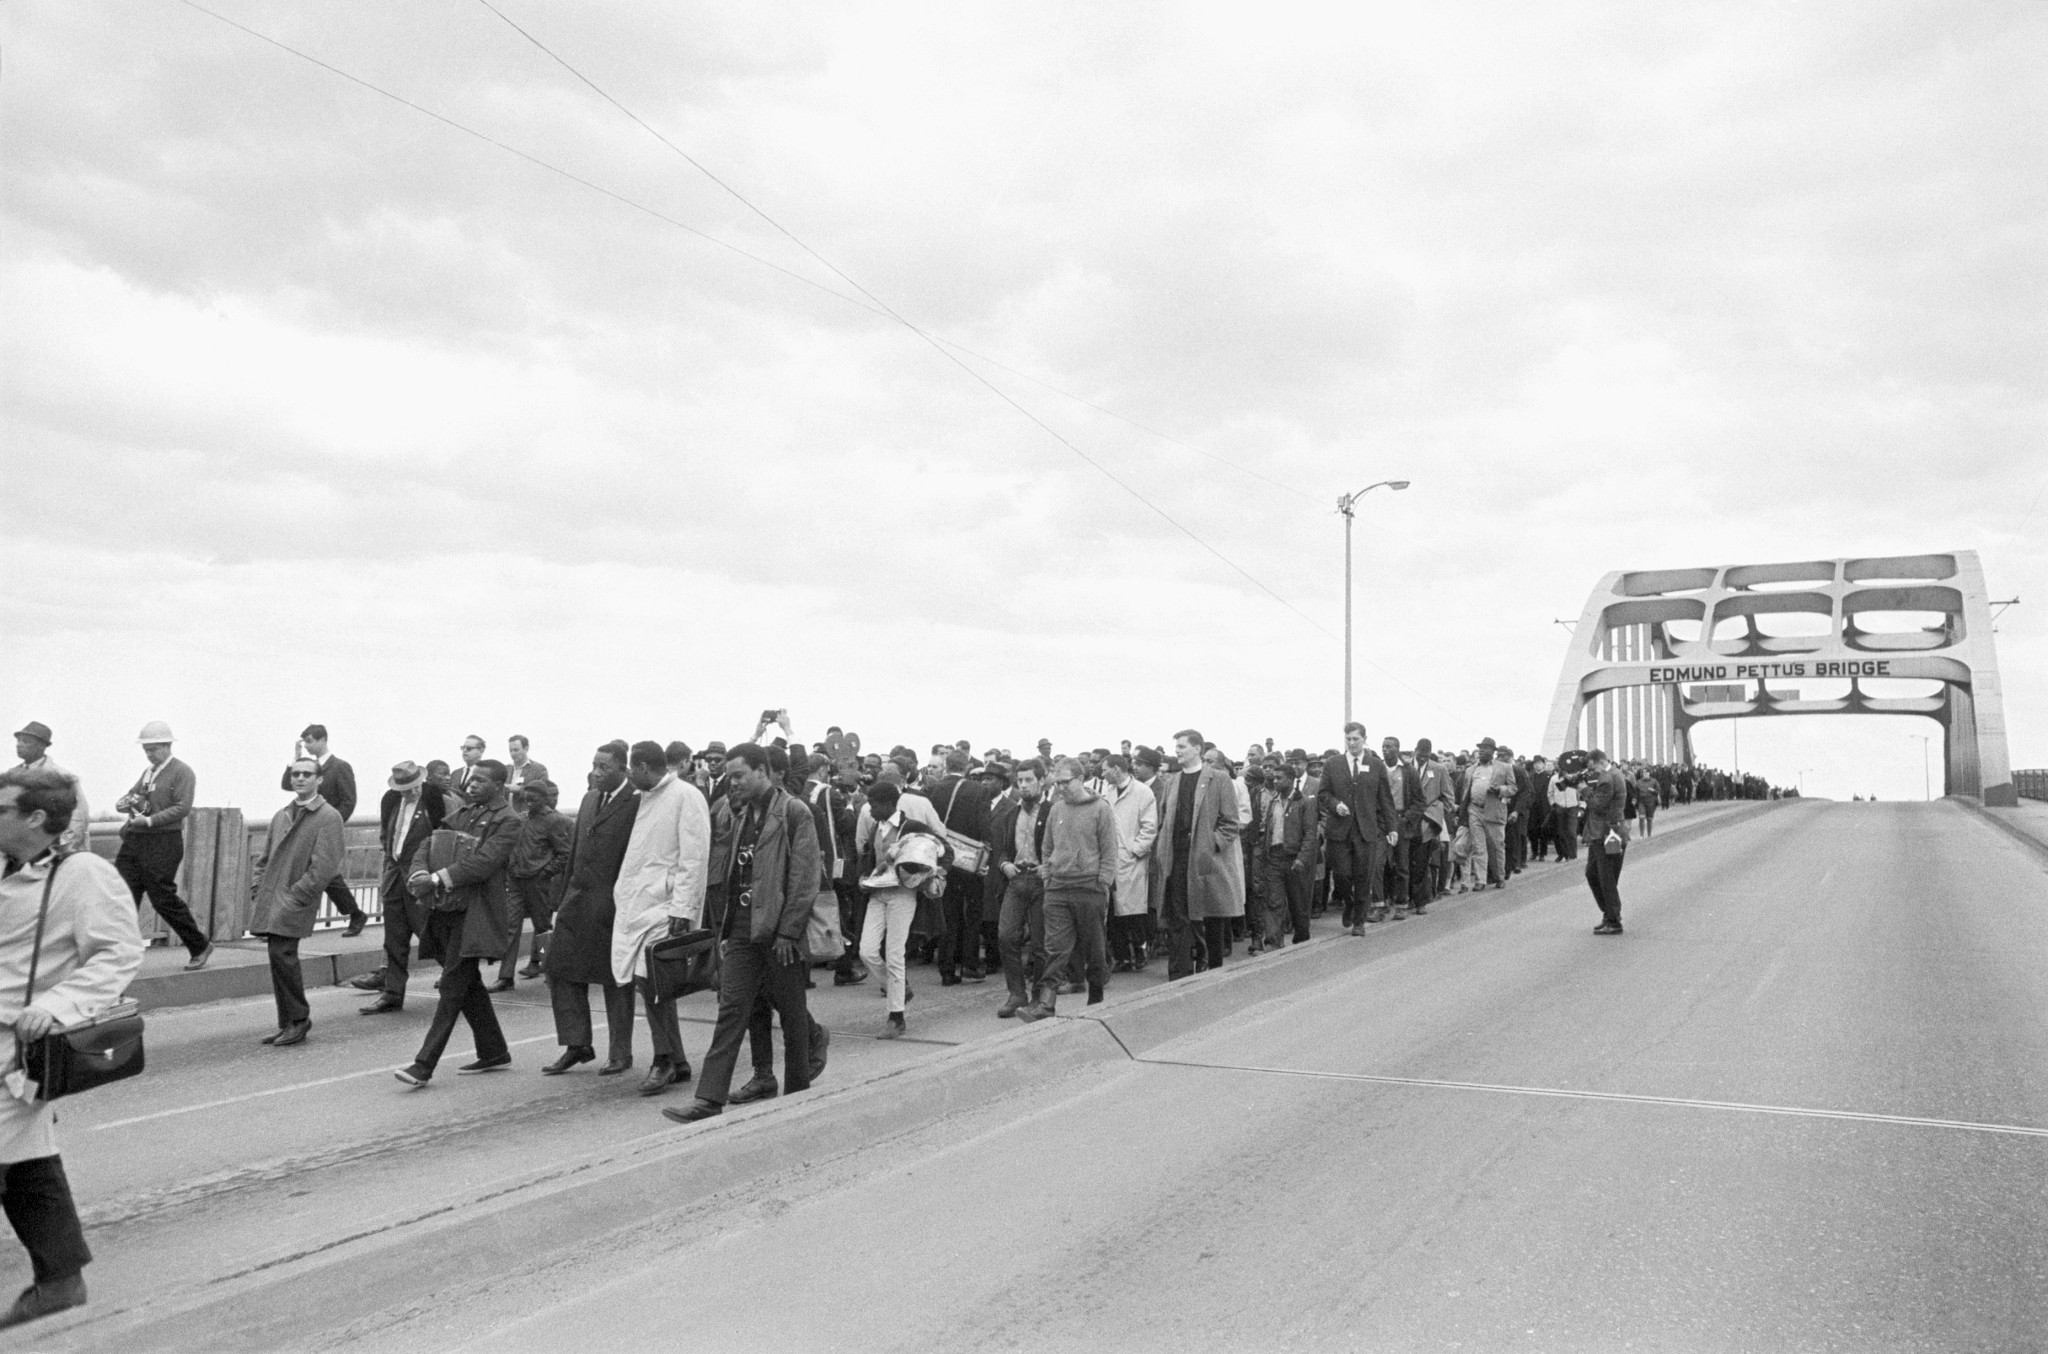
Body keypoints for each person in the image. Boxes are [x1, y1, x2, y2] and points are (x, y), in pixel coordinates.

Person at [0, 768, 144, 1330]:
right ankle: (61, 1280)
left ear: (35, 818)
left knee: (17, 1151)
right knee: (26, 1155)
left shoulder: (82, 874)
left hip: (18, 1042)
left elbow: (117, 953)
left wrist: (58, 1007)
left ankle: (60, 1280)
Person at [666, 744, 821, 1123]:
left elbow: (804, 879)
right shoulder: (740, 815)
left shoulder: (794, 813)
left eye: (738, 775)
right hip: (740, 932)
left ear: (762, 771)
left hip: (778, 934)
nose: (731, 782)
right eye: (730, 776)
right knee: (731, 1010)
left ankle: (797, 1092)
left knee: (792, 1014)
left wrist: (788, 933)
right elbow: (735, 876)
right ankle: (709, 1099)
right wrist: (724, 926)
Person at [393, 760, 517, 1087]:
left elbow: (484, 863)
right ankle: (494, 1051)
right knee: (467, 983)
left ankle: (424, 1065)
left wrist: (437, 877)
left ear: (499, 786)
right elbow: (427, 843)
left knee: (452, 985)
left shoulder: (508, 820)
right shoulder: (463, 813)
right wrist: (419, 871)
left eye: (480, 781)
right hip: (447, 910)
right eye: (471, 780)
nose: (472, 785)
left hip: (476, 914)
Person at [611, 741, 710, 1097]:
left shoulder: (686, 796)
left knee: (650, 983)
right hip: (639, 905)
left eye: (630, 770)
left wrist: (683, 910)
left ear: (642, 767)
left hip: (666, 908)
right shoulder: (647, 797)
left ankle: (664, 1058)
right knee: (651, 984)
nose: (627, 776)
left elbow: (694, 858)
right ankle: (677, 1060)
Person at [541, 742, 641, 1076]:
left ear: (623, 770)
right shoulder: (589, 799)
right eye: (594, 766)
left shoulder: (637, 802)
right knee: (560, 968)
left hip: (614, 905)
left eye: (605, 768)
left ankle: (620, 1053)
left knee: (616, 979)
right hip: (577, 901)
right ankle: (577, 1043)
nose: (597, 773)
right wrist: (562, 901)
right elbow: (574, 855)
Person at [248, 757, 346, 1047]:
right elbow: (265, 858)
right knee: (278, 957)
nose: (300, 778)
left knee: (284, 955)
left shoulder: (328, 816)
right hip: (273, 897)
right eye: (296, 774)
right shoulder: (282, 815)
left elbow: (325, 866)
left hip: (294, 899)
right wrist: (258, 887)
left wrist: (297, 895)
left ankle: (299, 1020)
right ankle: (288, 1022)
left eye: (307, 774)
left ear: (319, 779)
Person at [1019, 758, 1118, 1020]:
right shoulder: (1056, 809)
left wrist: (1103, 882)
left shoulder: (1101, 809)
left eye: (1066, 782)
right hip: (1058, 889)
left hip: (1089, 888)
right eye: (1057, 782)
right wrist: (1048, 875)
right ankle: (1046, 1003)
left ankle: (1096, 997)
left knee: (1094, 948)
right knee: (1056, 948)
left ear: (1081, 778)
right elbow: (1048, 846)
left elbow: (1109, 850)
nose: (1060, 787)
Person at [111, 721, 213, 971]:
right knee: (124, 895)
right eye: (146, 749)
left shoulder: (182, 772)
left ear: (168, 746)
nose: (149, 754)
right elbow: (135, 796)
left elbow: (182, 807)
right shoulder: (148, 772)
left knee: (161, 897)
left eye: (154, 749)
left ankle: (198, 945)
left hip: (163, 841)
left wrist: (149, 819)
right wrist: (125, 803)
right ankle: (116, 955)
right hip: (137, 839)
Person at [1148, 730, 1242, 979]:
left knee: (1211, 916)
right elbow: (1164, 820)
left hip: (1205, 861)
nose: (1177, 751)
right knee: (1179, 918)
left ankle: (1213, 971)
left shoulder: (1218, 779)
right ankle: (1178, 976)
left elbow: (1231, 822)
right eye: (1176, 746)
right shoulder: (1173, 782)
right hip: (1177, 860)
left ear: (1197, 748)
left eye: (1182, 746)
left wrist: (1211, 845)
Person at [358, 761, 446, 1014]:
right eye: (404, 788)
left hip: (419, 877)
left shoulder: (434, 800)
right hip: (395, 876)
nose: (409, 792)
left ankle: (461, 980)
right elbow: (386, 835)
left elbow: (441, 837)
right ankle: (393, 994)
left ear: (420, 782)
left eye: (413, 786)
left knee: (430, 933)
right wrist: (389, 864)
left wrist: (430, 874)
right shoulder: (392, 801)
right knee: (394, 939)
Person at [279, 725, 367, 937]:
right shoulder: (306, 767)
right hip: (304, 827)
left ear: (322, 739)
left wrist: (332, 824)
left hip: (325, 828)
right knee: (320, 874)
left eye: (310, 741)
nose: (307, 746)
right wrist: (295, 758)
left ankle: (286, 923)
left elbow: (348, 801)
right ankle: (355, 913)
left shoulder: (340, 767)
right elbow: (286, 785)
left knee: (320, 872)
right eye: (305, 742)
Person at [987, 760, 1052, 1018]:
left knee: (1040, 944)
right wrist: (1004, 864)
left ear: (1042, 781)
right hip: (1016, 881)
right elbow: (1000, 849)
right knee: (1005, 936)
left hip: (1041, 882)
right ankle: (1016, 993)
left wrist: (1048, 866)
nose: (1024, 786)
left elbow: (1061, 846)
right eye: (1020, 781)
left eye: (1029, 780)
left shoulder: (1052, 811)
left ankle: (1039, 996)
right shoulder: (1011, 814)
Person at [1319, 723, 1398, 934]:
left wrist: (1392, 828)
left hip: (1366, 830)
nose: (1352, 743)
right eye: (1349, 739)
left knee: (1364, 876)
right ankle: (1350, 903)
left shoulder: (1375, 765)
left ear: (1364, 739)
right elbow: (1323, 794)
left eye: (1356, 739)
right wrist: (1336, 804)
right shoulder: (1332, 764)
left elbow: (1385, 799)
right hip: (1339, 830)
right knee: (1342, 875)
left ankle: (1359, 922)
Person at [499, 779, 571, 987]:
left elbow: (564, 853)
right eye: (526, 796)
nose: (528, 800)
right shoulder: (520, 819)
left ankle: (548, 969)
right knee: (511, 927)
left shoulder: (554, 820)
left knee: (543, 930)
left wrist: (545, 872)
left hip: (538, 883)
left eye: (534, 797)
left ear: (544, 798)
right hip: (516, 881)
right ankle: (505, 976)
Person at [1101, 754, 1158, 973]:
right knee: (1114, 912)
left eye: (1106, 769)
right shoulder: (1108, 792)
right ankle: (1122, 956)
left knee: (1133, 912)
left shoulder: (1143, 792)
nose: (1103, 773)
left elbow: (1149, 826)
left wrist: (1136, 850)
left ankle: (1140, 948)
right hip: (1111, 858)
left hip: (1131, 859)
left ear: (1116, 769)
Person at [8, 724, 88, 853]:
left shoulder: (62, 776)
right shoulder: (11, 776)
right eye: (18, 740)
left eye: (26, 741)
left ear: (42, 746)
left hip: (52, 848)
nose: (19, 744)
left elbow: (77, 816)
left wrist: (63, 848)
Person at [1262, 762, 1315, 945]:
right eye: (1273, 778)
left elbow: (1310, 834)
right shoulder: (1272, 802)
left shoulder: (1304, 802)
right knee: (1273, 901)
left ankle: (1301, 937)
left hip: (1295, 858)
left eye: (1279, 778)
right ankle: (1273, 942)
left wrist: (1302, 859)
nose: (1274, 781)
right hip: (1275, 857)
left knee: (1298, 904)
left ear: (1291, 780)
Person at [1581, 749, 1630, 934]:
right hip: (1604, 833)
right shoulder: (1612, 775)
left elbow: (1597, 806)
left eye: (1593, 767)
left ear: (1600, 762)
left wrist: (1583, 790)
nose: (1592, 772)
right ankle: (1609, 913)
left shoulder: (1607, 779)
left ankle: (1613, 920)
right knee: (1593, 873)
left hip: (1607, 833)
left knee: (1606, 877)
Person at [1462, 737, 1514, 890]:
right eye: (1480, 748)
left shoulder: (1504, 768)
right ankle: (1481, 880)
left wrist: (1499, 789)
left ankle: (1499, 876)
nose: (1482, 751)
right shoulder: (1470, 770)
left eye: (1485, 748)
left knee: (1497, 846)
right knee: (1479, 846)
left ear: (1493, 751)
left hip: (1494, 811)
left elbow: (1512, 789)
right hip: (1474, 810)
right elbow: (1465, 790)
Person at [1381, 736, 1423, 922]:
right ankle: (1380, 904)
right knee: (1380, 865)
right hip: (1381, 822)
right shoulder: (1378, 768)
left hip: (1401, 821)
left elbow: (1420, 801)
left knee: (1401, 865)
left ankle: (1401, 904)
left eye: (1389, 747)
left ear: (1397, 749)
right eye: (1383, 746)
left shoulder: (1408, 771)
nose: (1385, 750)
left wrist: (1407, 819)